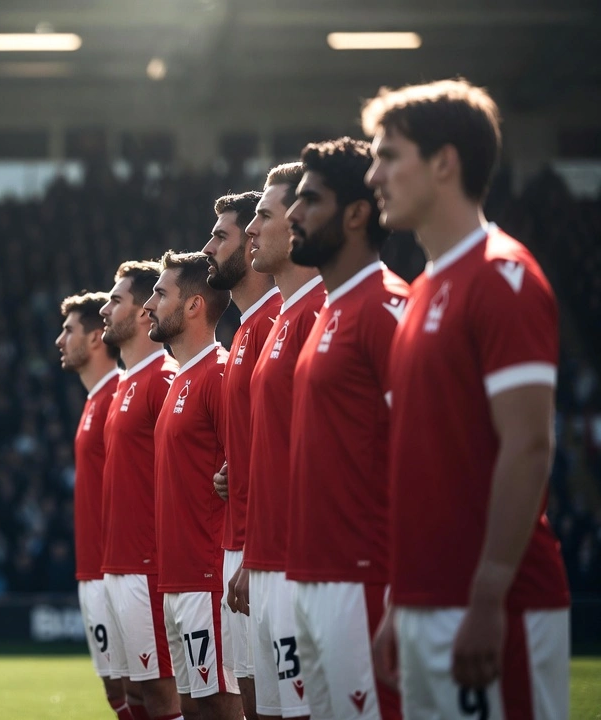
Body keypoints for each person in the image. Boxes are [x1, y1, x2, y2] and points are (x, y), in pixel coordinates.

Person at [364, 78, 571, 719]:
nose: (374, 176)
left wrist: (487, 597)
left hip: (493, 608)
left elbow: (529, 445)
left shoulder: (504, 276)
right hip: (426, 604)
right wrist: (402, 600)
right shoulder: (424, 289)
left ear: (444, 162)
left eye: (389, 155)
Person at [284, 137, 407, 720]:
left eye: (311, 199)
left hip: (364, 580)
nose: (292, 214)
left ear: (357, 213)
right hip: (313, 579)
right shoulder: (331, 311)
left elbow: (424, 458)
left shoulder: (386, 309)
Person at [228, 162, 325, 720]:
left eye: (261, 216)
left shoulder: (319, 310)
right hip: (264, 562)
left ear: (296, 224)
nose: (250, 232)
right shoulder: (284, 317)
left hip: (301, 568)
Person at [144, 251, 238, 720]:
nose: (149, 307)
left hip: (209, 577)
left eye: (161, 294)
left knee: (220, 707)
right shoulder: (181, 378)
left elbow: (246, 469)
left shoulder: (219, 374)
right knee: (194, 710)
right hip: (177, 580)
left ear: (194, 305)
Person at [201, 190, 277, 720]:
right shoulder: (247, 327)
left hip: (266, 549)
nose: (209, 247)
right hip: (243, 543)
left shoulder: (278, 319)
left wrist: (253, 550)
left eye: (221, 235)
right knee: (253, 702)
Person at [99, 261, 180, 720]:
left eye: (116, 300)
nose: (106, 310)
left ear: (145, 313)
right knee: (134, 694)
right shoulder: (128, 382)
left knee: (163, 697)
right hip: (120, 563)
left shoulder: (164, 378)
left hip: (148, 566)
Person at [56, 291, 124, 717]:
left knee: (144, 690)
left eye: (69, 331)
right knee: (119, 692)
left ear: (98, 337)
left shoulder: (118, 393)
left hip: (115, 569)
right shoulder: (96, 399)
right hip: (95, 569)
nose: (60, 340)